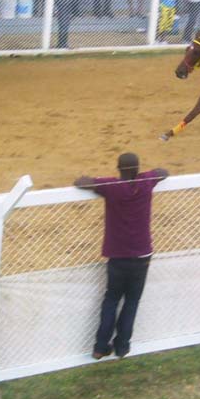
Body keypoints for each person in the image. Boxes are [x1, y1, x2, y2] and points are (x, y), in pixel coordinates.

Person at [74, 153, 168, 360]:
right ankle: (123, 347)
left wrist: (90, 177)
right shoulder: (146, 182)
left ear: (118, 169)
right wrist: (146, 174)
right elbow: (164, 172)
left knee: (111, 299)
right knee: (132, 301)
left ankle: (100, 346)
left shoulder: (111, 186)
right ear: (137, 169)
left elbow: (80, 183)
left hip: (117, 256)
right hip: (142, 254)